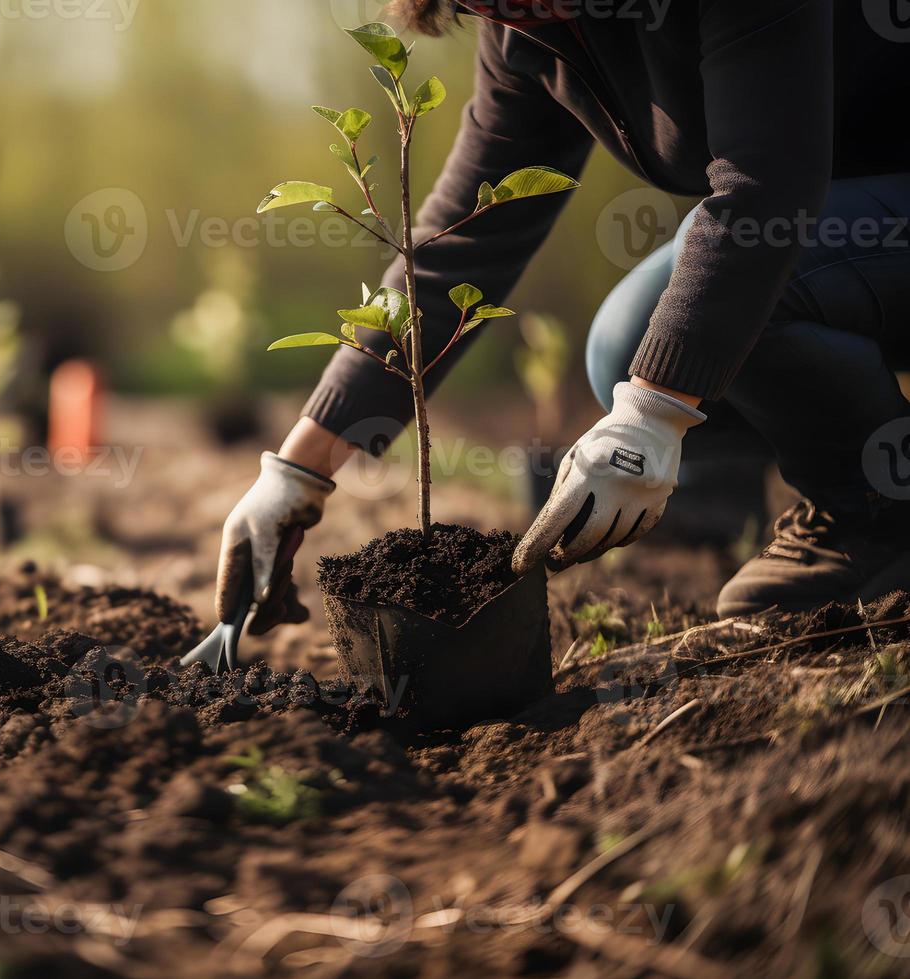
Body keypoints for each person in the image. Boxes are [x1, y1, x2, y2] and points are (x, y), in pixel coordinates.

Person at [215, 0, 910, 630]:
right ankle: (773, 501)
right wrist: (297, 473)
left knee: (700, 324)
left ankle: (880, 521)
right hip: (856, 228)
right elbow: (462, 240)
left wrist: (657, 412)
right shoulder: (530, 30)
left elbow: (765, 191)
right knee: (630, 343)